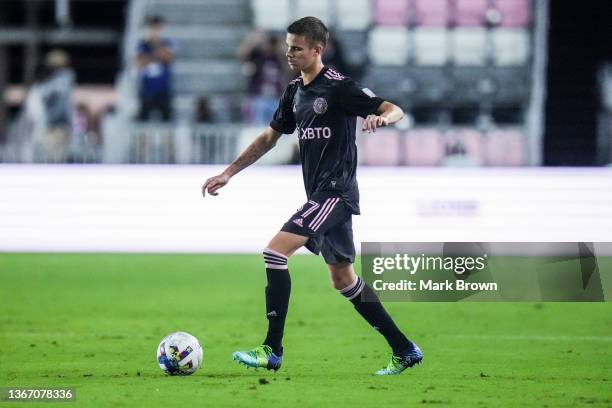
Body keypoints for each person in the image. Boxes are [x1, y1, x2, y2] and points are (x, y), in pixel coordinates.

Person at [202, 17, 422, 376]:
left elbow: (392, 108)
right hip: (322, 194)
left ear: (317, 50)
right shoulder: (294, 92)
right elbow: (268, 139)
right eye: (287, 46)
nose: (288, 53)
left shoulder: (338, 87)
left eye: (297, 48)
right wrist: (228, 172)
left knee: (275, 252)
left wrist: (383, 120)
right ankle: (404, 349)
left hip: (336, 193)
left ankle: (272, 349)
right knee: (344, 280)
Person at [136, 15, 175, 122]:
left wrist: (154, 50)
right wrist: (157, 56)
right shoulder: (143, 44)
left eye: (158, 28)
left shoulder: (167, 43)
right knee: (143, 121)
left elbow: (167, 57)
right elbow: (140, 62)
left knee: (167, 121)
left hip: (163, 89)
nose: (156, 31)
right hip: (147, 89)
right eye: (154, 28)